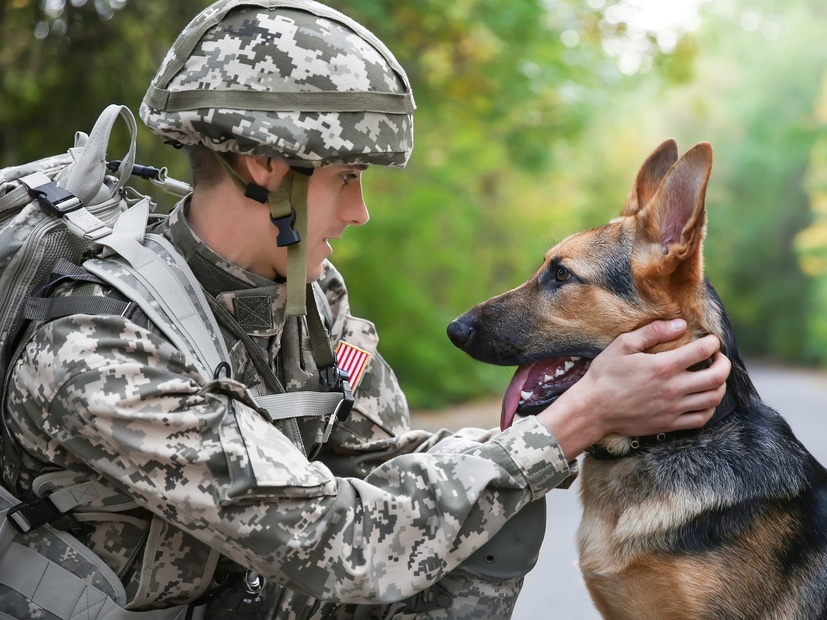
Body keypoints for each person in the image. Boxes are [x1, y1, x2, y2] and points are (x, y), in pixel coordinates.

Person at [2, 0, 730, 618]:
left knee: (492, 508)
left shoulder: (305, 299)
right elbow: (334, 537)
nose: (360, 212)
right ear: (266, 169)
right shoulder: (99, 349)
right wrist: (577, 421)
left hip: (239, 591)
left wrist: (593, 411)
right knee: (488, 490)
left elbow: (381, 459)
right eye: (348, 179)